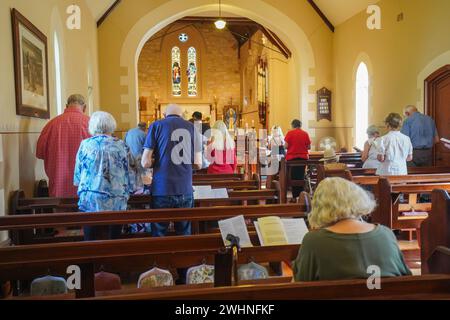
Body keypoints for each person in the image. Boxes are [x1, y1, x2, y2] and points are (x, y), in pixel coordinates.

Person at [293, 177, 412, 282]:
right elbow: (406, 278)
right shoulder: (386, 234)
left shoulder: (313, 241)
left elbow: (300, 287)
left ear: (319, 207)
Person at [141, 104, 202, 237]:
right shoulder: (192, 128)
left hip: (162, 189)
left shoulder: (156, 125)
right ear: (182, 115)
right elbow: (198, 164)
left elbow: (145, 162)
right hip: (184, 189)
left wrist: (159, 162)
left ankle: (160, 257)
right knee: (184, 233)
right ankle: (183, 257)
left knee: (159, 233)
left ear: (164, 115)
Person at [74, 111, 137, 241]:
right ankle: (113, 256)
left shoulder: (85, 145)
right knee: (114, 236)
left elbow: (78, 174)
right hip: (116, 196)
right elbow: (131, 170)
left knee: (90, 235)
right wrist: (131, 188)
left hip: (91, 195)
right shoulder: (121, 145)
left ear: (92, 126)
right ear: (112, 125)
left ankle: (91, 256)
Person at [36, 94, 90, 197]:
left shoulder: (51, 124)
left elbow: (40, 153)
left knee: (60, 212)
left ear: (66, 106)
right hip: (84, 187)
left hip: (58, 189)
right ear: (85, 107)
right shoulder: (91, 124)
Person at [284, 119, 311, 203]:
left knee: (293, 177)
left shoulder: (290, 133)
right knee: (301, 176)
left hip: (292, 159)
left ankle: (295, 197)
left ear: (292, 125)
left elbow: (286, 146)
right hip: (303, 159)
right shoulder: (305, 133)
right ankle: (301, 196)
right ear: (300, 125)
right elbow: (309, 147)